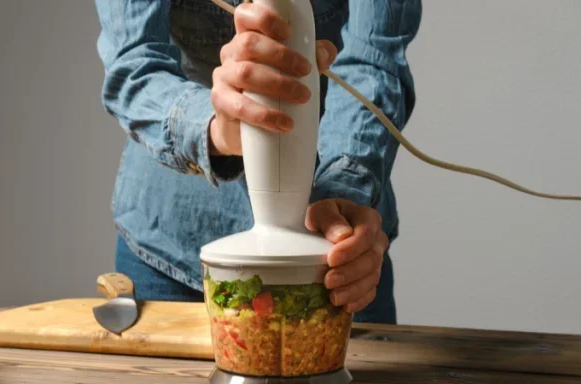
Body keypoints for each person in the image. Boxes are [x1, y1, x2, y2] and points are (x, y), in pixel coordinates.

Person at [93, 0, 422, 324]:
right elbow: (135, 64)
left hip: (337, 253)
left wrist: (344, 183)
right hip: (167, 247)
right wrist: (218, 127)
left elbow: (372, 59)